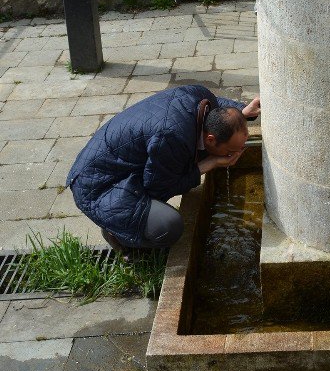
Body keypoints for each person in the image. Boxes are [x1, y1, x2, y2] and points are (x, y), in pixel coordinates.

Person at [66, 84, 261, 253]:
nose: (236, 153)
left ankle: (123, 223)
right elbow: (159, 188)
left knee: (180, 164)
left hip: (109, 165)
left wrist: (243, 111)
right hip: (99, 186)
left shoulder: (203, 98)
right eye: (231, 151)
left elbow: (221, 110)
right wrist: (209, 164)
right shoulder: (173, 138)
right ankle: (119, 235)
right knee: (169, 226)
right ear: (211, 139)